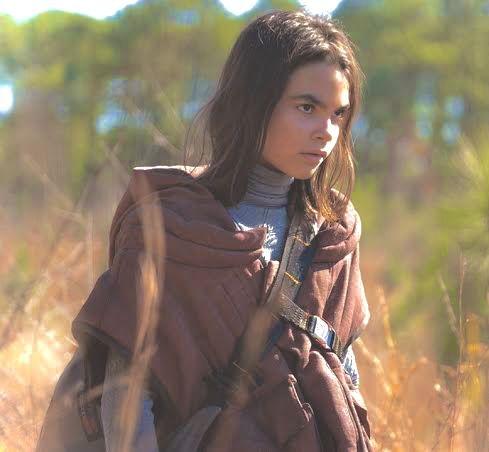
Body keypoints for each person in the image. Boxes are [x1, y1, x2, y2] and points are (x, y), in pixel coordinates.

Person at [71, 9, 373, 452]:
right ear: (254, 101)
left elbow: (345, 377)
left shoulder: (334, 234)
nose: (326, 132)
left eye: (338, 114)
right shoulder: (172, 222)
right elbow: (128, 398)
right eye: (307, 107)